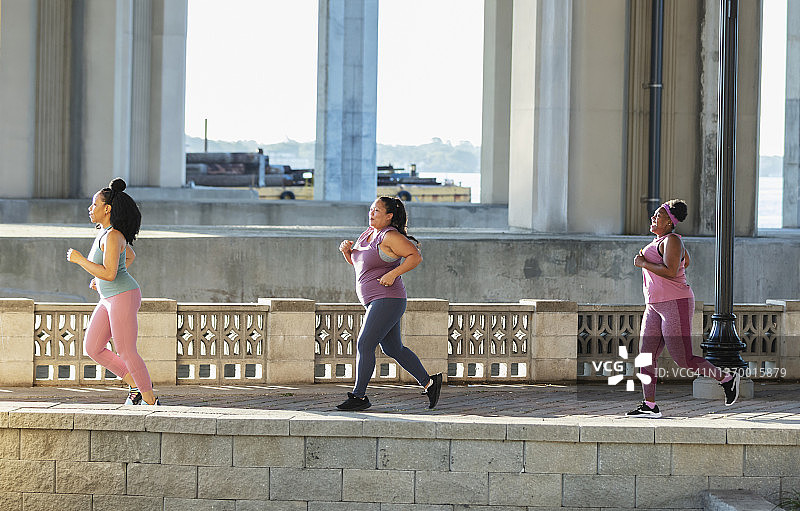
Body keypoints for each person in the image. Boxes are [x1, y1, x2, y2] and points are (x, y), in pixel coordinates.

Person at [626, 199, 739, 418]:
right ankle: (649, 406)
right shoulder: (660, 241)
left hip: (675, 303)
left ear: (669, 221)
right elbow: (684, 262)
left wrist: (643, 263)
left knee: (684, 358)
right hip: (654, 306)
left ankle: (726, 378)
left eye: (658, 215)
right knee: (646, 356)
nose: (653, 217)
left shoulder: (673, 240)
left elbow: (670, 271)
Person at [336, 196, 442, 411]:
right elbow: (362, 266)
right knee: (393, 348)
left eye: (376, 210)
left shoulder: (390, 236)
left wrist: (393, 274)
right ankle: (430, 383)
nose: (371, 213)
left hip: (388, 299)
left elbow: (415, 256)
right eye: (371, 209)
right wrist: (347, 253)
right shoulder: (367, 234)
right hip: (375, 300)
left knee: (365, 343)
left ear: (389, 216)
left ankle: (359, 397)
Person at [67, 178, 160, 406]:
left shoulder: (113, 235)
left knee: (127, 351)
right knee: (93, 347)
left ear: (107, 209)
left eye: (94, 204)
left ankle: (151, 400)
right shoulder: (105, 233)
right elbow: (128, 257)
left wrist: (80, 260)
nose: (90, 209)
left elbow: (110, 273)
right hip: (108, 297)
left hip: (123, 296)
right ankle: (135, 388)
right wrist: (98, 280)